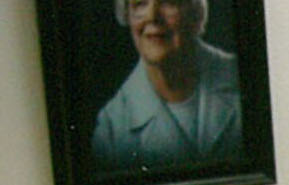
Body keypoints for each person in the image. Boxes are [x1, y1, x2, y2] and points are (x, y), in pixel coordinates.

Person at [92, 0, 242, 171]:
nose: (152, 16)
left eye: (168, 2)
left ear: (196, 13)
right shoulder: (112, 128)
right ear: (127, 16)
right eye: (140, 4)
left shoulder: (242, 80)